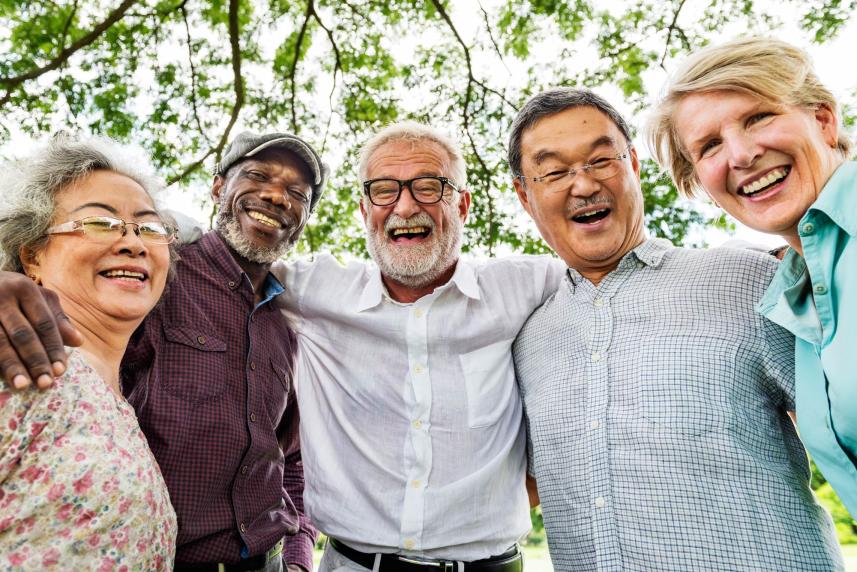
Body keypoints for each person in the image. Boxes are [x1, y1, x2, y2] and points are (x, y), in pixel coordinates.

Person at [509, 88, 843, 571]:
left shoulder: (749, 280)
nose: (583, 185)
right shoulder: (526, 340)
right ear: (525, 195)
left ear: (633, 165)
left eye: (601, 160)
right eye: (555, 172)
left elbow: (844, 421)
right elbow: (520, 485)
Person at [0, 131, 322, 571]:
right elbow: (64, 286)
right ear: (217, 187)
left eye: (298, 193)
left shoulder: (289, 326)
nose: (277, 196)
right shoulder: (151, 277)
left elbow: (292, 460)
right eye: (258, 176)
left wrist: (299, 558)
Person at [275, 122, 564, 571]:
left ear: (462, 205)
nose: (405, 206)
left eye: (429, 187)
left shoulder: (529, 286)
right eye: (384, 190)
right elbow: (213, 255)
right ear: (364, 210)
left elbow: (612, 269)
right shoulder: (311, 293)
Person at [648, 36, 857, 519]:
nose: (741, 155)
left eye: (759, 117)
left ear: (823, 120)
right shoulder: (794, 295)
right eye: (710, 146)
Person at [0, 135, 177, 569]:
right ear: (32, 257)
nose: (134, 243)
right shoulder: (17, 365)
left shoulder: (118, 402)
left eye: (149, 228)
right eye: (100, 222)